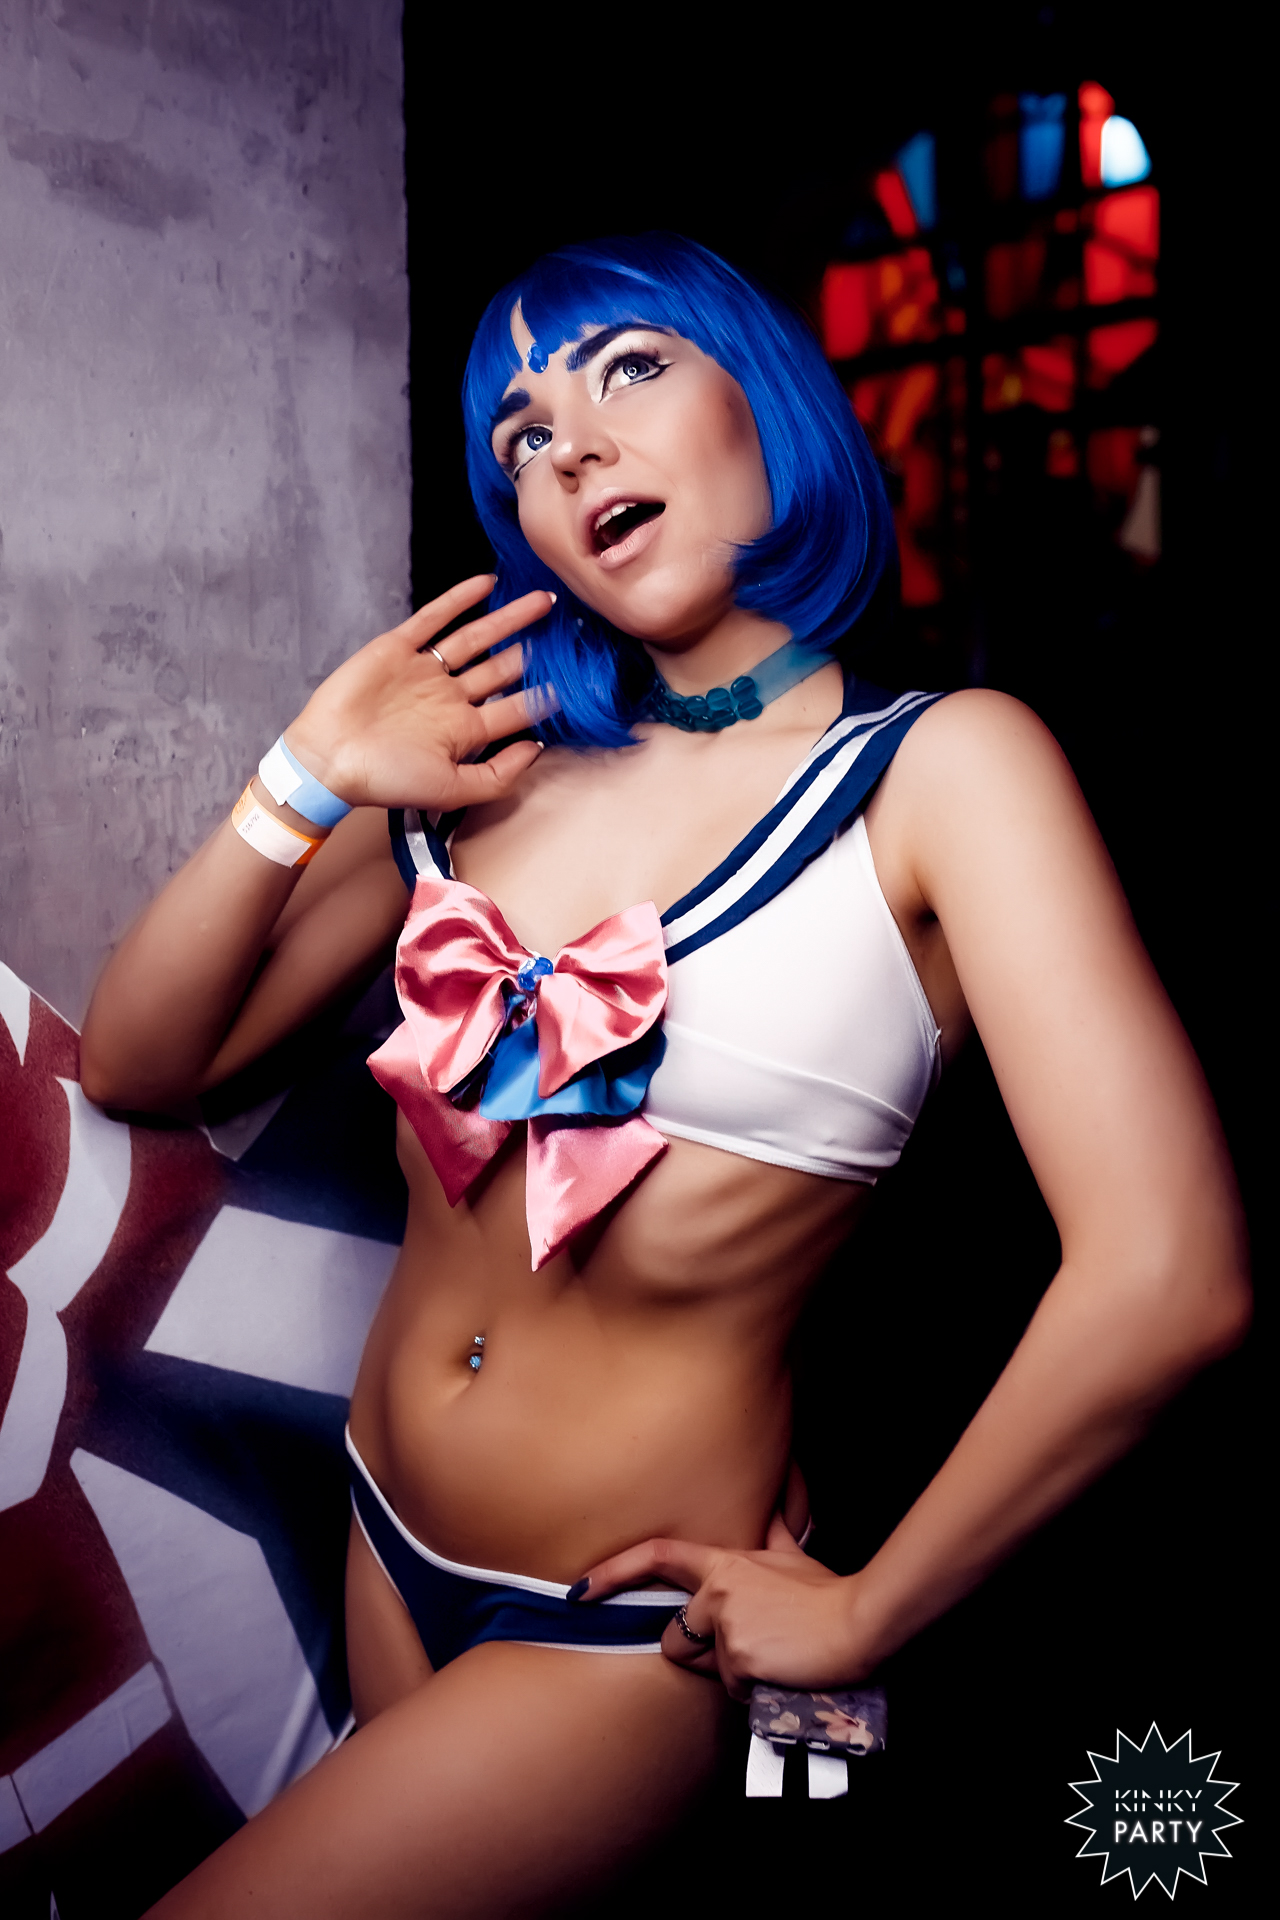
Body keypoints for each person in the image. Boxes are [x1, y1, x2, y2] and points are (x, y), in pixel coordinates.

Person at [80, 233, 1249, 1918]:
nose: (571, 448)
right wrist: (311, 768)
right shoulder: (478, 765)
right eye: (522, 438)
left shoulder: (944, 775)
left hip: (639, 1636)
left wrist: (865, 1614)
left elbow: (1172, 1275)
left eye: (628, 369)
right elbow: (141, 1062)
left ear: (759, 393)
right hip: (380, 1530)